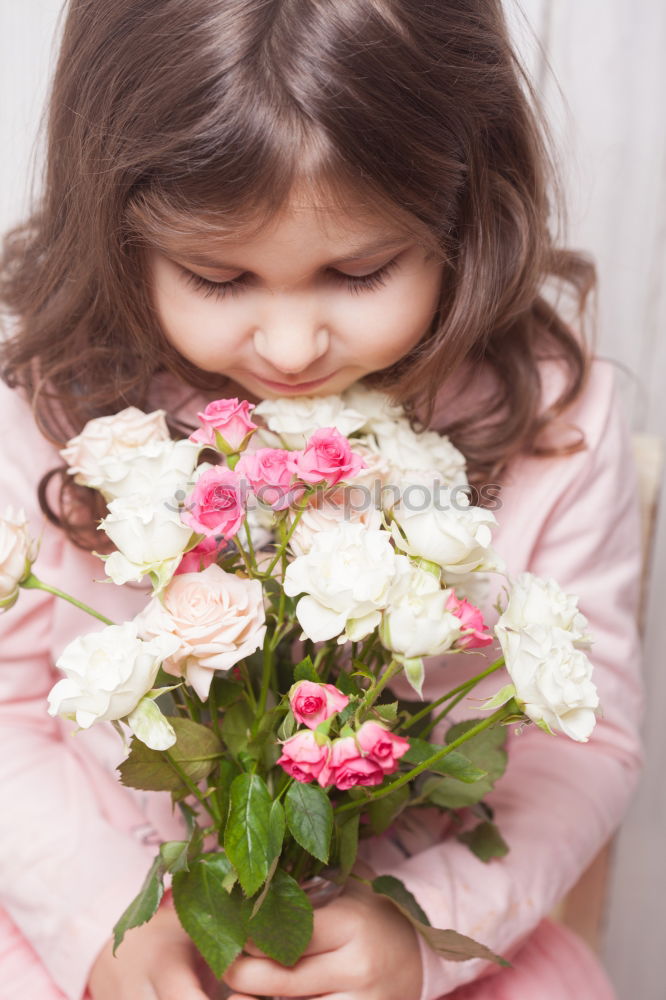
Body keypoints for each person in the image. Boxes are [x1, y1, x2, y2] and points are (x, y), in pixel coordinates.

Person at [0, 1, 643, 999]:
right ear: (119, 230)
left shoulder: (562, 423)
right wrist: (100, 926)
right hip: (101, 918)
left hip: (419, 930)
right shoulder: (59, 401)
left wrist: (422, 939)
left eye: (358, 271)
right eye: (218, 276)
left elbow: (587, 745)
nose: (293, 347)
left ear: (466, 209)